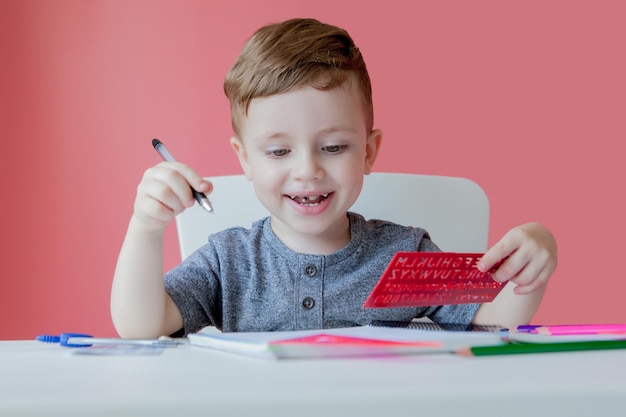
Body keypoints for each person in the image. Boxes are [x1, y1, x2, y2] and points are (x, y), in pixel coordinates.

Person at [111, 18, 557, 338]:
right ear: (245, 160)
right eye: (279, 151)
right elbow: (140, 326)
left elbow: (496, 319)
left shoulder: (404, 253)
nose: (307, 170)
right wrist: (147, 228)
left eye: (333, 147)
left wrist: (535, 258)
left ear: (368, 151)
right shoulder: (229, 261)